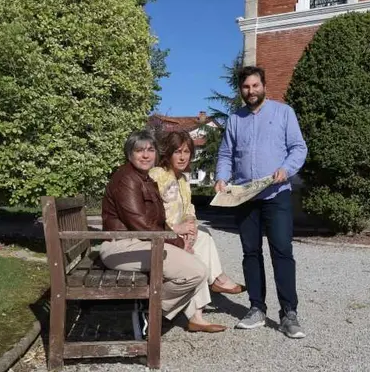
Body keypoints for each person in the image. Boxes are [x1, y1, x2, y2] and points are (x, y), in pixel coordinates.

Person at [99, 130, 227, 333]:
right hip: (121, 246)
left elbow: (157, 221)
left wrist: (179, 236)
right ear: (129, 154)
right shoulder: (127, 179)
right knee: (196, 271)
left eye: (150, 150)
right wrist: (177, 242)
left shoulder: (144, 179)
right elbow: (141, 224)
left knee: (197, 261)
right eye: (139, 150)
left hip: (141, 242)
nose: (146, 155)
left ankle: (161, 311)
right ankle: (151, 310)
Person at [215, 65, 308, 339]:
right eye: (246, 87)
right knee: (251, 253)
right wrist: (221, 178)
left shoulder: (283, 113)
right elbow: (225, 155)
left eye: (255, 86)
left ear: (263, 85)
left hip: (276, 194)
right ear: (240, 89)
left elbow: (299, 148)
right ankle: (256, 307)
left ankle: (289, 313)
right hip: (245, 198)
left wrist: (286, 169)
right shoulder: (235, 119)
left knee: (281, 251)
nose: (251, 91)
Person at [148, 130, 245, 296]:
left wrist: (191, 223)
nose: (182, 157)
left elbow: (188, 207)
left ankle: (213, 283)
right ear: (168, 153)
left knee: (203, 235)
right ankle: (216, 281)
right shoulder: (157, 175)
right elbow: (151, 213)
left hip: (179, 232)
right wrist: (177, 229)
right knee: (203, 241)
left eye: (186, 152)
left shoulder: (183, 179)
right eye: (177, 152)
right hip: (160, 234)